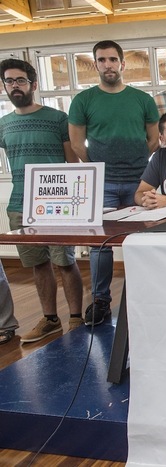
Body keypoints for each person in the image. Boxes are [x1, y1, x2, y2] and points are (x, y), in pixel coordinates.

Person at [69, 40, 160, 326]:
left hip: (140, 181)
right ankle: (100, 301)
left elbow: (154, 140)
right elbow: (76, 144)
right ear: (95, 65)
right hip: (103, 184)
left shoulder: (142, 99)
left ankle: (149, 298)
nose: (108, 65)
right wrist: (101, 167)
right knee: (100, 245)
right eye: (101, 60)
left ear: (122, 64)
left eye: (112, 59)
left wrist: (133, 162)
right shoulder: (83, 100)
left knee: (145, 241)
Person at [0, 58, 84, 343]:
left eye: (20, 80)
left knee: (65, 261)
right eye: (9, 81)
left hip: (55, 204)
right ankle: (50, 319)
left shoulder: (57, 119)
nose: (14, 86)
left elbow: (72, 161)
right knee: (38, 264)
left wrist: (79, 200)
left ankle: (75, 317)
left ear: (33, 84)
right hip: (20, 205)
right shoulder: (4, 125)